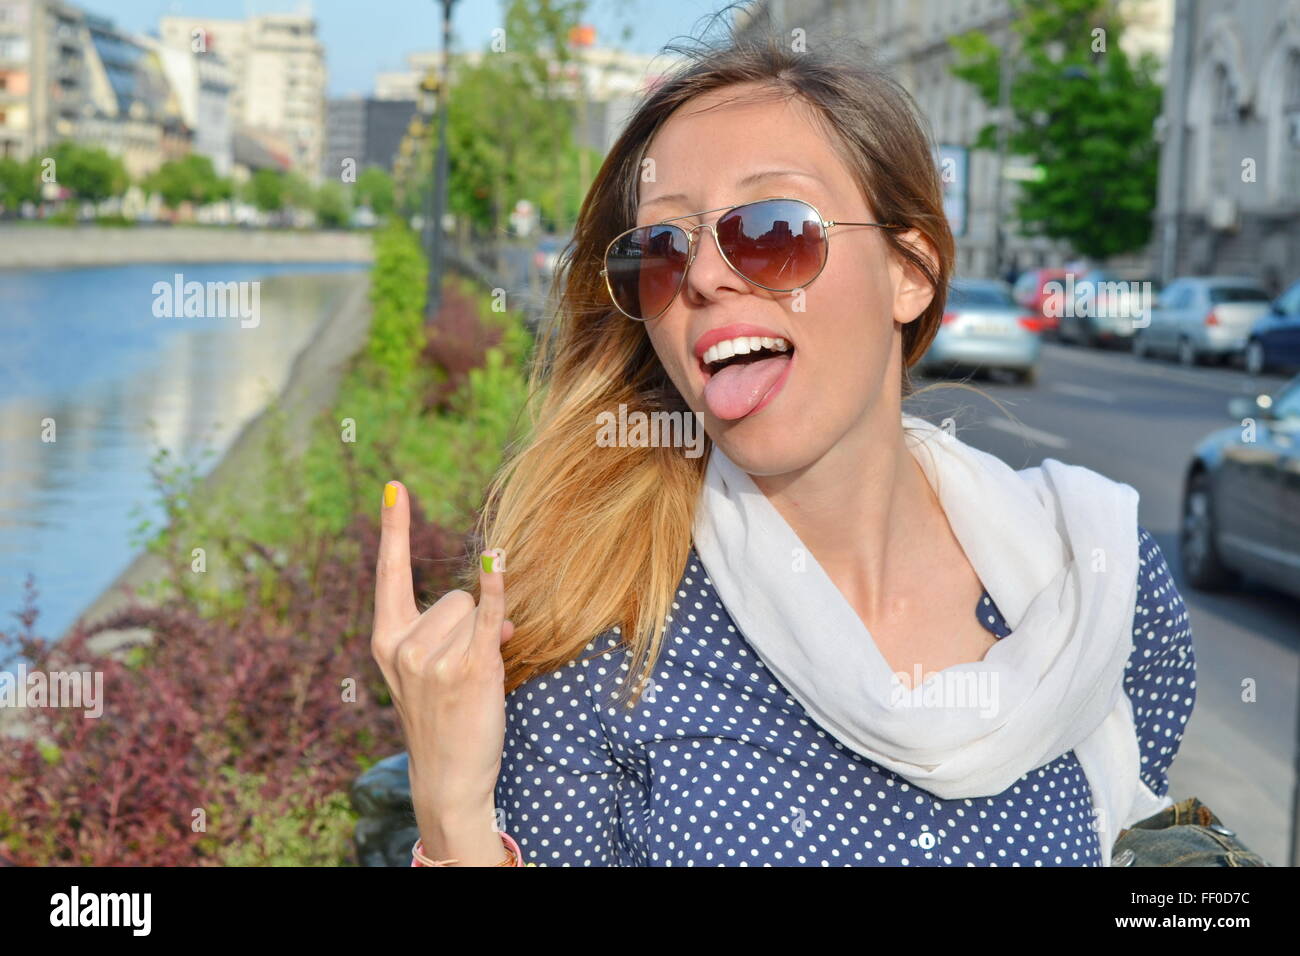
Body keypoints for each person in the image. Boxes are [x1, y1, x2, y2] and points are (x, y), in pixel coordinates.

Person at [369, 26, 1195, 867]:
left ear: (910, 271)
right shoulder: (590, 618)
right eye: (660, 250)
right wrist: (452, 814)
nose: (704, 277)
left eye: (772, 230)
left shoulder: (1099, 578)